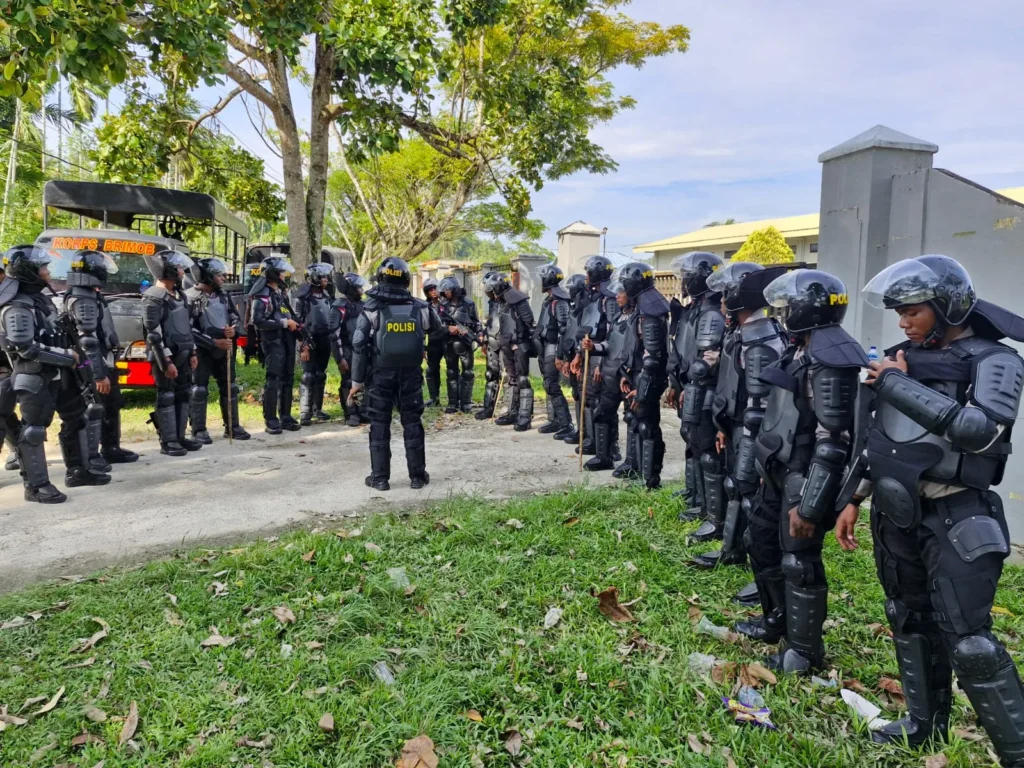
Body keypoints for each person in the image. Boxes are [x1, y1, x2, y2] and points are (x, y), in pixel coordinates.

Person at [836, 255, 1024, 765]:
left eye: (912, 311)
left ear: (946, 306)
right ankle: (923, 724)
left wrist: (895, 382)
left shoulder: (995, 360)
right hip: (897, 513)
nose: (902, 322)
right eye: (898, 313)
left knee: (970, 641)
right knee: (908, 617)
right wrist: (855, 498)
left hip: (959, 515)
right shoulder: (902, 357)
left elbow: (980, 430)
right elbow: (881, 440)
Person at [734, 269, 867, 676]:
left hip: (804, 475)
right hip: (777, 467)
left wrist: (810, 507)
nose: (783, 312)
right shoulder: (801, 349)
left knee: (799, 563)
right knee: (761, 542)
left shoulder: (830, 360)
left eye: (789, 306)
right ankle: (776, 620)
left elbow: (832, 441)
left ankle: (805, 652)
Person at [0, 246, 110, 502]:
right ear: (27, 271)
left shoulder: (41, 299)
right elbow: (25, 347)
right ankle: (36, 486)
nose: (47, 272)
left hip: (62, 374)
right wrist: (65, 357)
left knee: (77, 418)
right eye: (43, 268)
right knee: (34, 430)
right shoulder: (16, 306)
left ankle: (79, 471)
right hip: (35, 376)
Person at [350, 257, 442, 491]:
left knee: (379, 422)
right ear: (405, 279)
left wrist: (356, 382)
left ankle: (380, 478)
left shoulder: (371, 308)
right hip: (411, 374)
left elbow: (359, 345)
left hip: (380, 375)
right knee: (412, 421)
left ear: (380, 278)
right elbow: (438, 330)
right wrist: (425, 351)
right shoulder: (421, 307)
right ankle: (418, 477)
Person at [669, 252, 726, 537]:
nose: (682, 281)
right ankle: (700, 502)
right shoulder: (694, 309)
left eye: (686, 275)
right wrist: (676, 384)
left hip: (705, 392)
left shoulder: (711, 314)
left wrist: (691, 383)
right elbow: (682, 349)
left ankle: (715, 517)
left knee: (708, 454)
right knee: (694, 443)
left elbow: (708, 358)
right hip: (691, 388)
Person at [63, 249, 139, 465]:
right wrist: (97, 374)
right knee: (94, 408)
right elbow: (87, 341)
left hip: (104, 361)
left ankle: (110, 448)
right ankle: (91, 456)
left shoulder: (90, 294)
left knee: (112, 404)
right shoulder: (83, 299)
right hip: (92, 365)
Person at [142, 249, 202, 457]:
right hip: (165, 356)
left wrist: (193, 351)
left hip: (184, 354)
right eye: (177, 267)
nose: (181, 271)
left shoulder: (180, 295)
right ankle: (168, 441)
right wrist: (166, 361)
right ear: (166, 269)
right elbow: (153, 333)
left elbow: (187, 325)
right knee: (166, 395)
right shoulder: (153, 297)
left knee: (183, 394)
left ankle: (180, 437)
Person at [616, 262, 670, 489]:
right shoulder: (639, 310)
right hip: (636, 376)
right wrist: (626, 374)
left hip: (647, 378)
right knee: (635, 422)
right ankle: (637, 471)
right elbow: (634, 349)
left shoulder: (649, 314)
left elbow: (652, 358)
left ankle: (650, 481)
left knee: (648, 426)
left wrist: (643, 389)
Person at [186, 257, 249, 443]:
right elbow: (190, 329)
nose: (223, 277)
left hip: (225, 350)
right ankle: (198, 430)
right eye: (218, 274)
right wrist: (214, 342)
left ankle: (232, 426)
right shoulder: (191, 297)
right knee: (199, 389)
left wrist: (233, 329)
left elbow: (235, 318)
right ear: (207, 276)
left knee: (230, 387)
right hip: (202, 351)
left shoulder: (223, 296)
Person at [574, 255, 621, 459]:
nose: (586, 276)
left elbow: (612, 332)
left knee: (602, 402)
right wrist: (578, 354)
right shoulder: (595, 296)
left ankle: (611, 447)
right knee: (590, 400)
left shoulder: (610, 298)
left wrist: (600, 364)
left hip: (602, 354)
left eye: (589, 272)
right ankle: (594, 441)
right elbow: (588, 326)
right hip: (589, 351)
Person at [248, 255, 301, 435]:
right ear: (273, 274)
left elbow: (288, 315)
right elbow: (257, 320)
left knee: (288, 377)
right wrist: (284, 324)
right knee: (274, 379)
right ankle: (271, 419)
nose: (285, 275)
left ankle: (285, 415)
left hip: (287, 340)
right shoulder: (262, 295)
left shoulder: (280, 294)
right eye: (282, 272)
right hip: (272, 341)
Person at [491, 273, 536, 430]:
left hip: (519, 345)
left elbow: (529, 323)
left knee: (522, 379)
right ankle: (513, 413)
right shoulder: (502, 302)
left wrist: (521, 342)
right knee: (512, 379)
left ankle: (525, 417)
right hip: (506, 345)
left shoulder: (519, 300)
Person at [534, 264, 574, 437]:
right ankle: (555, 419)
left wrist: (561, 355)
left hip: (553, 347)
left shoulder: (560, 301)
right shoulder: (550, 299)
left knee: (552, 384)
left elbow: (564, 329)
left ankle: (566, 423)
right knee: (548, 384)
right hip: (544, 346)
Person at [293, 262, 335, 426]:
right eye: (323, 276)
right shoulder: (302, 297)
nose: (326, 279)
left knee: (320, 374)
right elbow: (297, 321)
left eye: (326, 276)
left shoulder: (326, 296)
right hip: (307, 341)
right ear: (314, 278)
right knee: (308, 376)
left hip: (324, 340)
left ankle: (317, 409)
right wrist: (303, 345)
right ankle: (305, 412)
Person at [436, 276, 481, 414]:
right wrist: (447, 329)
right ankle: (453, 403)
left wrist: (479, 335)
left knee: (468, 372)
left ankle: (466, 402)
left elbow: (476, 323)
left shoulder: (469, 304)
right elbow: (436, 325)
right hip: (449, 344)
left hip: (465, 344)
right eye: (444, 290)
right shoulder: (442, 306)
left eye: (448, 290)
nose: (446, 293)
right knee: (451, 372)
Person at [329, 271, 369, 427]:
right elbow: (334, 334)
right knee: (348, 382)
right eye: (359, 287)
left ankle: (363, 412)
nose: (362, 290)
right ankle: (351, 413)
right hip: (346, 349)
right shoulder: (339, 306)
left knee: (362, 380)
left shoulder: (362, 305)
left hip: (361, 349)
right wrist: (339, 358)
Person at [557, 273, 589, 446]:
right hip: (573, 356)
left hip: (584, 356)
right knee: (576, 394)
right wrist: (565, 358)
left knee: (586, 396)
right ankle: (580, 429)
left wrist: (578, 355)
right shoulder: (573, 308)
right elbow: (568, 333)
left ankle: (587, 433)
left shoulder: (587, 308)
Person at [0, 258, 23, 473]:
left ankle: (20, 450)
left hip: (7, 367)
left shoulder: (13, 299)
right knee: (5, 415)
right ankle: (19, 450)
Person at [475, 272, 504, 421]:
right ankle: (488, 408)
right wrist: (485, 341)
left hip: (505, 344)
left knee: (507, 378)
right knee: (490, 375)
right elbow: (491, 324)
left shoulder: (509, 301)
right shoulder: (492, 303)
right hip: (493, 342)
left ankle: (511, 409)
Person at [422, 277, 445, 408]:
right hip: (433, 342)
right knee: (431, 371)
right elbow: (423, 328)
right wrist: (423, 347)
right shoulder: (425, 307)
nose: (433, 292)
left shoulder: (447, 304)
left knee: (453, 371)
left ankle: (455, 400)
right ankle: (434, 398)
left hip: (448, 342)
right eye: (430, 290)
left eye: (435, 288)